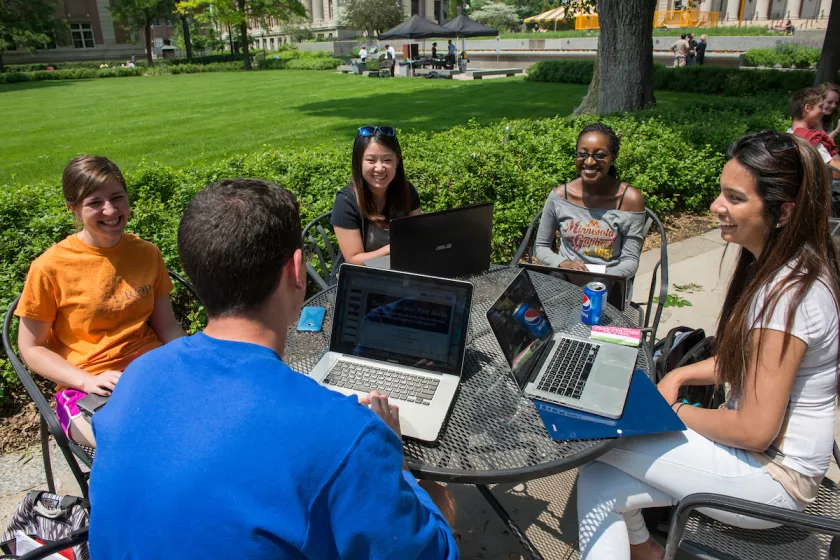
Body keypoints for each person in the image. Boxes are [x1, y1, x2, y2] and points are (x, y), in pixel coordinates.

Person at [88, 178, 458, 558]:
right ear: (296, 271)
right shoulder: (348, 434)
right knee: (438, 497)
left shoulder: (138, 377)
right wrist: (394, 459)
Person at [577, 130, 840, 560]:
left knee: (600, 436)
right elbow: (753, 361)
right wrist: (681, 373)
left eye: (735, 199)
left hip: (772, 478)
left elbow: (755, 431)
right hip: (771, 464)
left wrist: (677, 413)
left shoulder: (788, 295)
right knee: (598, 480)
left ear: (784, 211)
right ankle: (650, 554)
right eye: (722, 192)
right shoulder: (792, 267)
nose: (717, 206)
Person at [15, 156, 185, 448]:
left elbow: (168, 327)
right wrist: (85, 381)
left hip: (152, 372)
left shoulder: (146, 253)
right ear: (74, 209)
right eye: (95, 203)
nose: (110, 210)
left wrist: (197, 359)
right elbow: (31, 348)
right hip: (88, 389)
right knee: (135, 445)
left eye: (117, 197)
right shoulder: (50, 268)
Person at [534, 123, 645, 279]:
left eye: (600, 155)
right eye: (583, 154)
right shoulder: (560, 196)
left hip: (608, 280)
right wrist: (563, 263)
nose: (589, 162)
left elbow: (630, 260)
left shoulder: (630, 200)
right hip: (565, 276)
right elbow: (541, 247)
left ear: (613, 158)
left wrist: (606, 277)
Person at [331, 126, 421, 266]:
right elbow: (353, 259)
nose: (379, 168)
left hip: (401, 270)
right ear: (359, 163)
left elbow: (416, 236)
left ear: (397, 161)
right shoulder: (346, 201)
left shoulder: (407, 191)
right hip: (358, 277)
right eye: (371, 160)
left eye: (387, 160)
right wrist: (390, 250)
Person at [788, 87, 840, 178]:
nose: (821, 110)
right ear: (807, 108)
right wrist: (832, 150)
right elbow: (837, 173)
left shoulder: (788, 133)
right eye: (820, 106)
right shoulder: (812, 139)